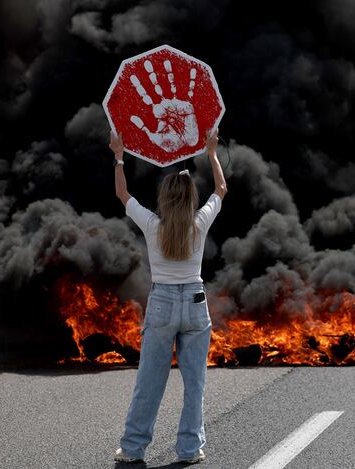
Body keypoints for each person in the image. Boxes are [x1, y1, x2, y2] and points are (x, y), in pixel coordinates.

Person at [109, 128, 227, 465]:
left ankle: (132, 449)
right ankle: (189, 450)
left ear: (164, 198)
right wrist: (212, 153)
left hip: (161, 304)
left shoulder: (152, 226)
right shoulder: (199, 224)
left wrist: (119, 154)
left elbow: (122, 194)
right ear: (191, 199)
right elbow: (221, 188)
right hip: (194, 303)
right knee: (195, 383)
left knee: (149, 381)